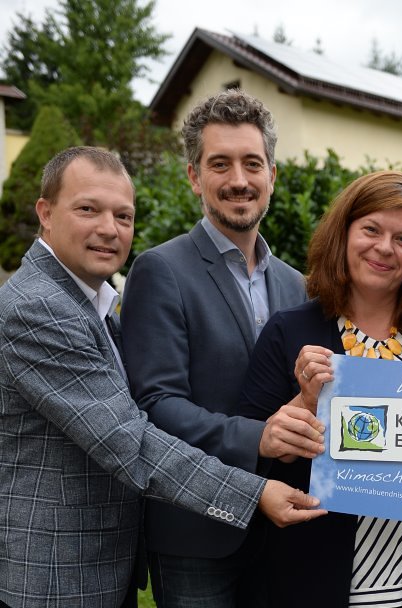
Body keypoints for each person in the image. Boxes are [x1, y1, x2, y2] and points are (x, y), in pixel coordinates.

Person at [0, 146, 324, 608]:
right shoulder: (40, 309)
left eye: (123, 216)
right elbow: (131, 442)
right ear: (45, 214)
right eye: (88, 209)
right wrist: (252, 493)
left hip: (94, 567)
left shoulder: (91, 305)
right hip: (55, 577)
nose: (109, 229)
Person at [237, 170, 402, 607]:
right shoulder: (288, 331)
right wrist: (305, 400)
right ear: (343, 233)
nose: (385, 248)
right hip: (316, 580)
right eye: (371, 229)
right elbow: (251, 457)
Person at [120, 90, 313, 607]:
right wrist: (261, 438)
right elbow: (156, 406)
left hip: (284, 529)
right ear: (194, 176)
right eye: (219, 164)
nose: (238, 181)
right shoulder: (161, 270)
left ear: (273, 174)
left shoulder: (298, 286)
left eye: (252, 163)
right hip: (197, 534)